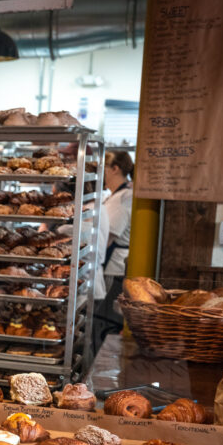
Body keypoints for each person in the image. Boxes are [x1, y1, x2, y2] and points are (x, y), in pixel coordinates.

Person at [93, 150, 135, 350]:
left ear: (115, 169)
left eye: (103, 168)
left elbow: (107, 238)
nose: (100, 173)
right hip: (113, 266)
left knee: (102, 322)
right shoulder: (117, 195)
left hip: (113, 269)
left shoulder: (122, 198)